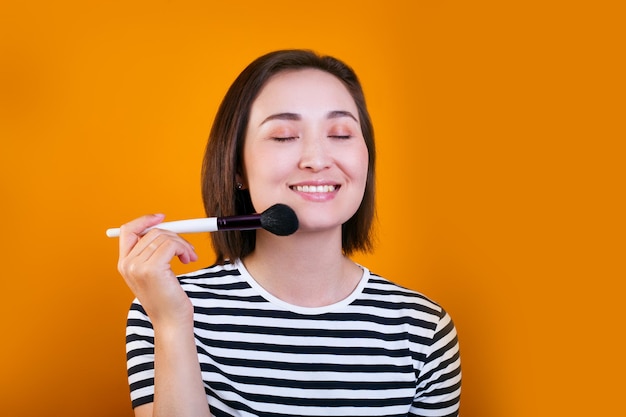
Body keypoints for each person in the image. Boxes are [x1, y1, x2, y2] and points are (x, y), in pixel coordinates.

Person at [117, 49, 461, 417]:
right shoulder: (165, 310)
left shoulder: (422, 329)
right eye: (283, 136)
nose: (316, 158)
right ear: (236, 168)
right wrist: (172, 325)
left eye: (341, 134)